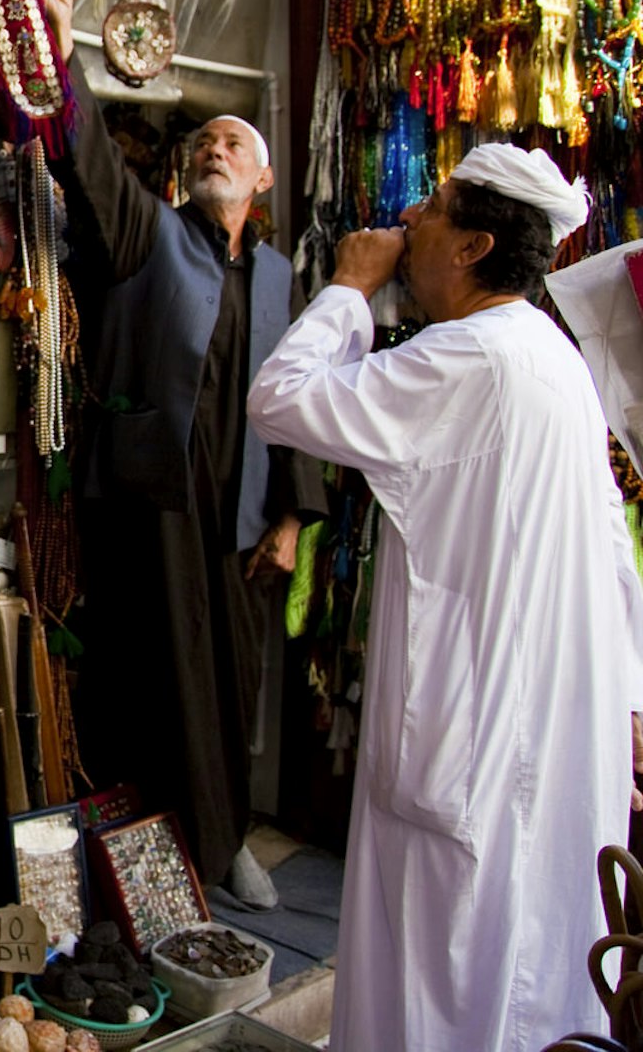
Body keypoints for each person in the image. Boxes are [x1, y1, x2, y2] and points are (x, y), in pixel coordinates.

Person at [246, 143, 643, 1050]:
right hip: (541, 742)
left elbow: (280, 399)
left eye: (429, 209)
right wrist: (627, 697)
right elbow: (615, 556)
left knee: (445, 992)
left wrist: (348, 286)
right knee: (519, 982)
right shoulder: (550, 358)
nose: (408, 224)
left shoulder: (470, 355)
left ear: (470, 247)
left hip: (475, 754)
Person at [36, 0, 324, 909]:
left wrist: (293, 517)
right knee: (149, 680)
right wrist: (61, 19)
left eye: (234, 144)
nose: (214, 150)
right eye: (203, 143)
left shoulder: (284, 280)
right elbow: (82, 159)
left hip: (239, 517)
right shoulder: (147, 234)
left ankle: (227, 835)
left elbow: (305, 400)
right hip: (151, 500)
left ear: (265, 180)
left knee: (234, 685)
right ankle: (157, 864)